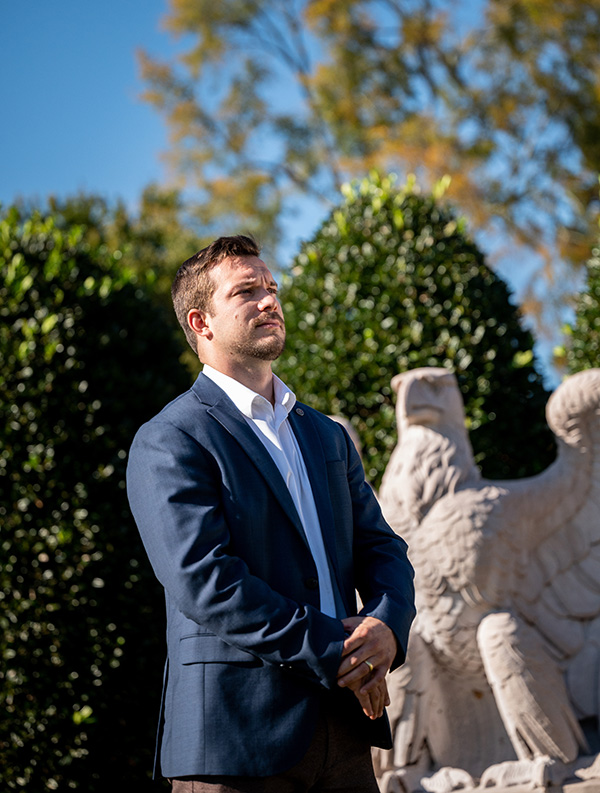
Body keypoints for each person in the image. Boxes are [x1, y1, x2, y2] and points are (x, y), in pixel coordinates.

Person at [126, 235, 415, 793]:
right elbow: (206, 582)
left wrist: (387, 626)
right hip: (233, 740)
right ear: (201, 322)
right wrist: (340, 650)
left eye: (272, 288)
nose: (269, 300)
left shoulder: (325, 435)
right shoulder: (170, 438)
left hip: (347, 730)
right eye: (246, 291)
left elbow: (383, 548)